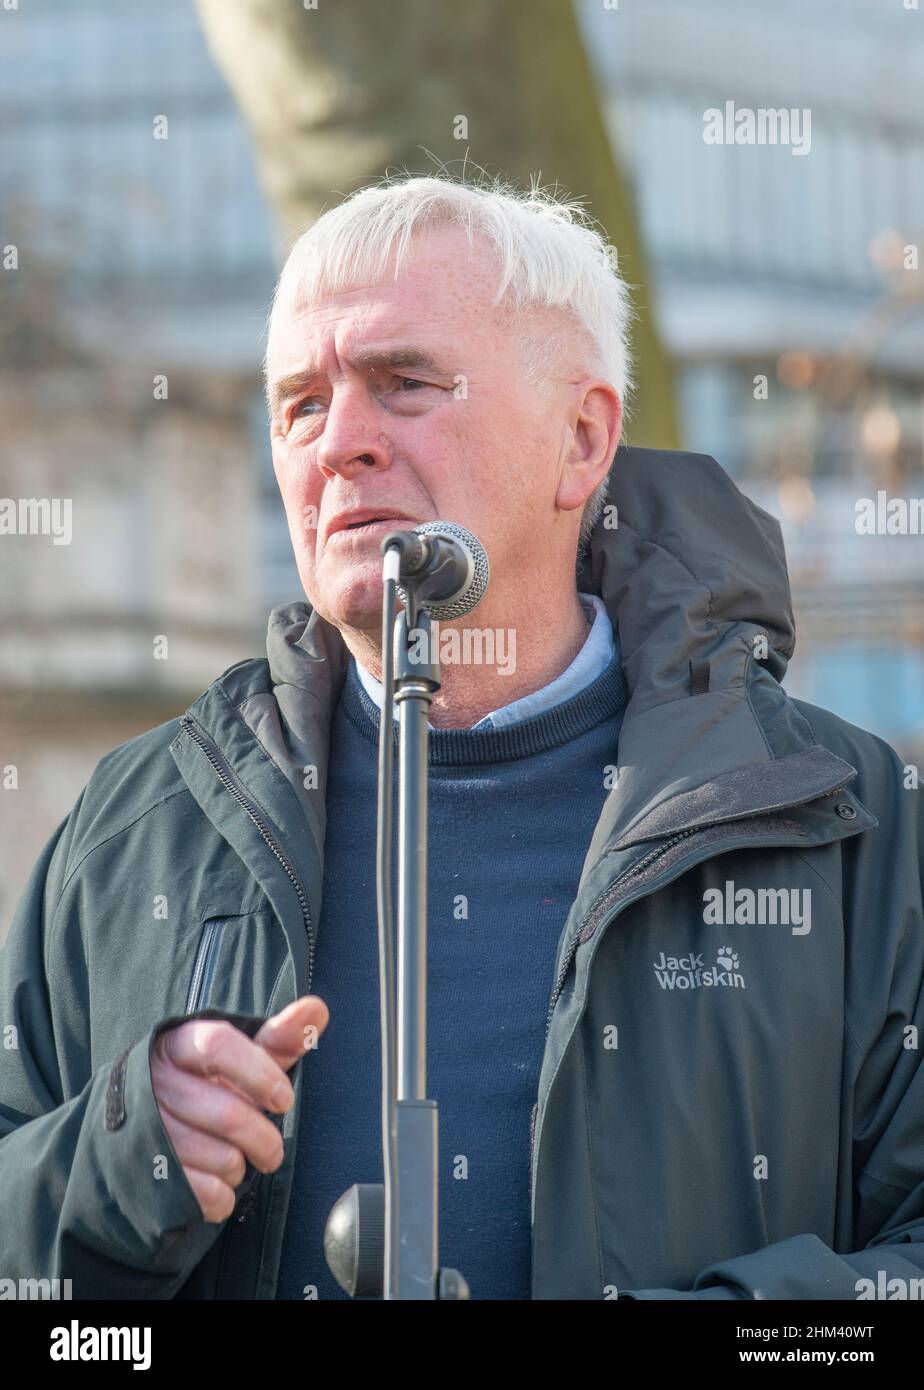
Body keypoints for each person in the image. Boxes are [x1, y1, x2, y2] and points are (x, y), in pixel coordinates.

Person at [1, 174, 922, 1301]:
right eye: (297, 403)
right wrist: (118, 1154)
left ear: (582, 440)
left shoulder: (849, 826)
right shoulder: (139, 825)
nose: (339, 442)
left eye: (405, 383)